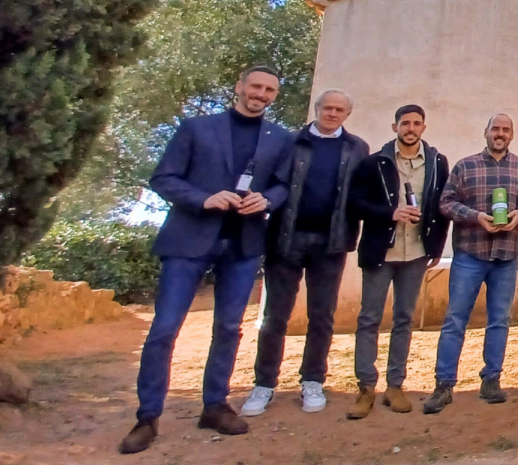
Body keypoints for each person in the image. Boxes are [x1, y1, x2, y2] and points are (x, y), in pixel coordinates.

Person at [119, 66, 294, 455]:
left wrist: (267, 200)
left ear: (274, 96)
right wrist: (204, 198)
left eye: (269, 90)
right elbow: (163, 178)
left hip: (243, 246)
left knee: (230, 328)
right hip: (188, 241)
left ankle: (214, 405)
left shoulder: (281, 138)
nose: (261, 94)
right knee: (164, 329)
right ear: (239, 87)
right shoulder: (196, 128)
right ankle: (147, 416)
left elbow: (283, 185)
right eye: (255, 86)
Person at [241, 88, 369, 417]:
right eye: (327, 107)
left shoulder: (357, 148)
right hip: (287, 239)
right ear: (317, 109)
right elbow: (274, 184)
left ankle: (312, 380)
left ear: (347, 114)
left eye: (339, 109)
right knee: (275, 317)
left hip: (331, 242)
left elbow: (359, 194)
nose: (332, 113)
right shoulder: (291, 142)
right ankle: (264, 383)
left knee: (322, 316)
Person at [422, 114, 518, 414]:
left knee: (499, 320)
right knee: (455, 320)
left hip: (506, 255)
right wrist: (475, 217)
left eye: (505, 130)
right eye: (495, 129)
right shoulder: (465, 165)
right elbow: (446, 203)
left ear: (511, 135)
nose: (500, 134)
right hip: (470, 255)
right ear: (485, 132)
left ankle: (491, 381)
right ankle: (444, 384)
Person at [345, 104, 450, 417]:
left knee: (404, 319)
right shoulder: (374, 163)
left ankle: (395, 385)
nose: (411, 128)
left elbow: (442, 207)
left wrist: (436, 248)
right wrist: (389, 213)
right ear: (395, 128)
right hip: (381, 252)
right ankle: (365, 387)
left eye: (417, 123)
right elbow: (355, 203)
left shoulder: (437, 162)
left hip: (416, 253)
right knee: (369, 318)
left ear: (423, 128)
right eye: (405, 123)